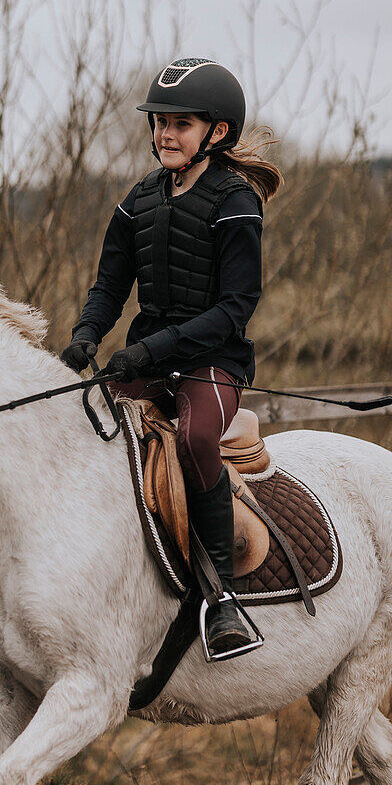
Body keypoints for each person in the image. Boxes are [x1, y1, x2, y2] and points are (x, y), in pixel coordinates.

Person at [61, 57, 283, 659]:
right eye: (159, 122)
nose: (163, 134)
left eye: (179, 124)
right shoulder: (137, 200)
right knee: (84, 432)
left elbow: (236, 307)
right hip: (146, 359)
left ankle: (221, 599)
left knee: (192, 440)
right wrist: (86, 335)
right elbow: (110, 288)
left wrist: (148, 350)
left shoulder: (236, 202)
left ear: (216, 131)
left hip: (213, 361)